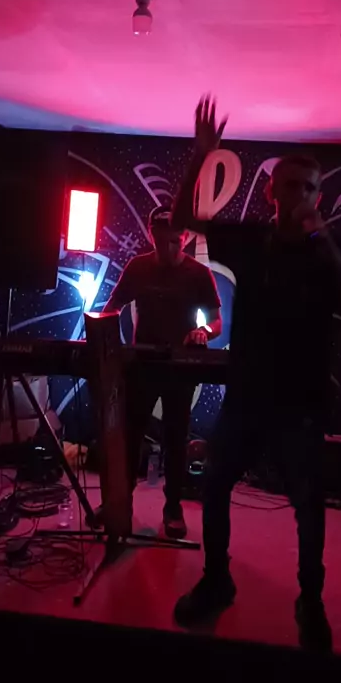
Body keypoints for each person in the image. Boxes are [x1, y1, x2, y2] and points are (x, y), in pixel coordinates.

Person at [171, 96, 341, 650]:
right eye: (291, 185)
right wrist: (201, 156)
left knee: (309, 505)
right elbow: (185, 221)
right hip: (248, 395)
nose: (301, 194)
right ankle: (217, 580)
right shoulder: (251, 243)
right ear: (271, 193)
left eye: (310, 187)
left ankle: (311, 600)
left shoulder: (331, 248)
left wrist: (325, 241)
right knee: (215, 487)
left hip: (301, 403)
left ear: (318, 197)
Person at [104, 204, 222, 538]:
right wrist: (100, 337)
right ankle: (120, 503)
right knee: (130, 435)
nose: (169, 248)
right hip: (142, 364)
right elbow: (112, 308)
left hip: (179, 367)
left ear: (184, 238)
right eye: (162, 240)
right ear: (150, 235)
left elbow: (216, 322)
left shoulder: (198, 274)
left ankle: (172, 508)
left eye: (175, 241)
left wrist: (203, 332)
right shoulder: (138, 268)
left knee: (176, 438)